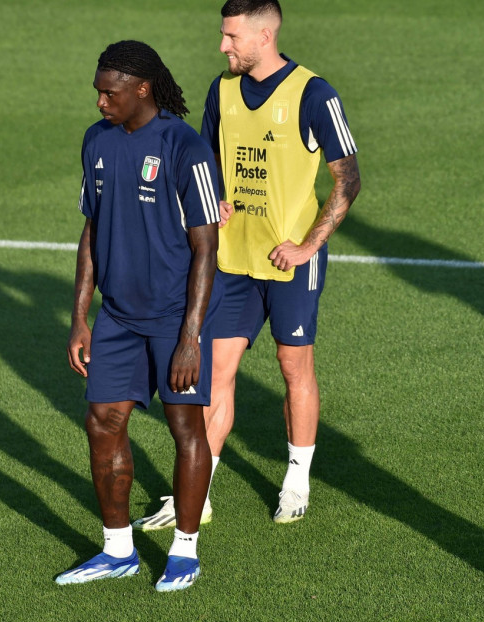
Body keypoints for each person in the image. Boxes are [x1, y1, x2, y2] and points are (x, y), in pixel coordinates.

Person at [134, 0, 361, 530]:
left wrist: (308, 246)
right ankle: (198, 490)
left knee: (292, 366)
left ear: (264, 36)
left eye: (231, 37)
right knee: (215, 374)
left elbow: (347, 179)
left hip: (288, 261)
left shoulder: (313, 93)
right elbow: (209, 161)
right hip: (232, 259)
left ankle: (297, 479)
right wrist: (216, 201)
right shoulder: (223, 90)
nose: (223, 46)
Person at [56, 40, 222, 592]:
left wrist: (192, 338)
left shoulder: (184, 146)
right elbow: (90, 232)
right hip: (118, 318)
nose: (101, 102)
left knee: (184, 427)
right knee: (102, 422)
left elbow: (206, 248)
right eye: (98, 92)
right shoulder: (96, 141)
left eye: (111, 93)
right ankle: (118, 548)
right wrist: (81, 316)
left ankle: (184, 550)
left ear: (143, 88)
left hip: (176, 318)